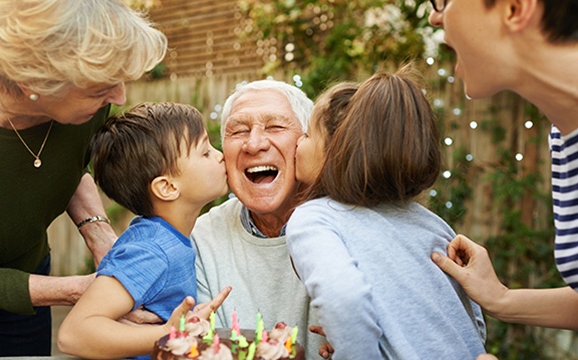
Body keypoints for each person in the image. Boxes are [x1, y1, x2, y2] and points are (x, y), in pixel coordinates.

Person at [0, 0, 168, 357]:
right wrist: (80, 290)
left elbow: (62, 163)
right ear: (34, 80)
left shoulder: (87, 102)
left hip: (28, 272)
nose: (119, 97)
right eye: (101, 89)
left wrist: (99, 235)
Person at [286, 65, 487, 359]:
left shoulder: (314, 219)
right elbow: (473, 320)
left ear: (335, 150)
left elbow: (345, 300)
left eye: (306, 135)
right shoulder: (435, 224)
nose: (297, 143)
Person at [426, 0, 578, 334]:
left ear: (514, 8)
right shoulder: (565, 135)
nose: (434, 17)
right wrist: (501, 299)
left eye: (444, 2)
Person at [57, 102, 232, 359]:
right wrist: (173, 334)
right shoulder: (150, 250)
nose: (220, 155)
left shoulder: (165, 238)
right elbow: (74, 334)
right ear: (167, 187)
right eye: (205, 152)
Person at [191, 79, 326, 359]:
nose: (254, 144)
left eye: (275, 127)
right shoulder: (203, 235)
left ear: (306, 143)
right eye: (238, 131)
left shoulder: (349, 226)